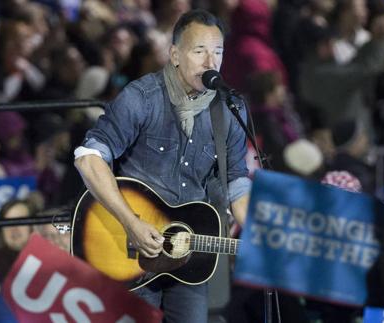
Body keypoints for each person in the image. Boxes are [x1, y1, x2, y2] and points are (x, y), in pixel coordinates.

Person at [74, 9, 251, 322]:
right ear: (175, 54)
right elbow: (89, 158)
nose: (211, 63)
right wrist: (131, 222)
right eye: (199, 52)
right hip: (131, 247)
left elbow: (236, 180)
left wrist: (260, 233)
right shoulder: (142, 98)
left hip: (189, 251)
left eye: (218, 52)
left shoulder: (230, 109)